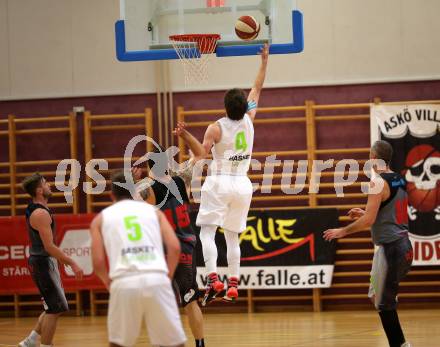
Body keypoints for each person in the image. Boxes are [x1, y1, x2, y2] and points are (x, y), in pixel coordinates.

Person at [196, 44, 269, 305]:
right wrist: (264, 61)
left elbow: (201, 154)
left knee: (206, 233)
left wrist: (186, 162)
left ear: (226, 107)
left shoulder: (215, 128)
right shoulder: (249, 118)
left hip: (219, 181)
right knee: (232, 236)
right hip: (242, 184)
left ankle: (214, 277)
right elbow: (257, 88)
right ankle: (234, 284)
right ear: (243, 107)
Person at [323, 140, 413, 347]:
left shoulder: (377, 182)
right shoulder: (399, 178)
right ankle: (390, 302)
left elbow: (369, 221)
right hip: (402, 247)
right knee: (375, 295)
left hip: (392, 249)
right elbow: (390, 214)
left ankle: (401, 345)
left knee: (383, 303)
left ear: (374, 158)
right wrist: (366, 212)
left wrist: (342, 231)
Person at [90, 170, 186, 347]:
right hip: (156, 278)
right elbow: (174, 247)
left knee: (118, 344)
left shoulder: (100, 219)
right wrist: (168, 276)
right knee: (174, 344)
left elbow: (97, 261)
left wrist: (107, 282)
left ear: (112, 195)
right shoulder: (154, 212)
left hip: (123, 281)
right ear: (135, 191)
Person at [135, 122, 207, 347]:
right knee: (190, 300)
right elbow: (201, 154)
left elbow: (134, 215)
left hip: (163, 250)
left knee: (159, 300)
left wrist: (134, 182)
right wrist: (185, 135)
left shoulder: (144, 189)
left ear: (149, 167)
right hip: (186, 246)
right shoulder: (180, 179)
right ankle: (200, 344)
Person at [18, 173, 83, 347]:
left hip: (43, 261)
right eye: (45, 183)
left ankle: (30, 341)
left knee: (53, 306)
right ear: (39, 190)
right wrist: (73, 262)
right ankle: (45, 345)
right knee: (54, 309)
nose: (49, 185)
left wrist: (59, 259)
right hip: (42, 263)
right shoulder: (40, 213)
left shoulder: (38, 209)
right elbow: (49, 246)